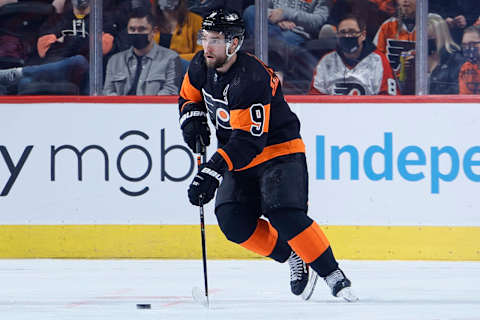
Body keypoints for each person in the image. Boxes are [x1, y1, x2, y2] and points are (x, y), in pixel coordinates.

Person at [178, 9, 358, 301]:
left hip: (277, 151)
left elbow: (248, 140)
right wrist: (192, 119)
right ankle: (292, 256)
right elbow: (189, 96)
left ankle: (332, 275)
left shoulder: (250, 79)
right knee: (232, 220)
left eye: (216, 40)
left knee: (284, 214)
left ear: (234, 43)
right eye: (205, 38)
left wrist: (212, 171)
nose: (207, 46)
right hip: (239, 157)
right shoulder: (201, 64)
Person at [310, 15, 398, 95]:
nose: (347, 36)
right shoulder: (326, 61)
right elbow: (315, 96)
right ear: (337, 35)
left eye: (352, 32)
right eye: (343, 32)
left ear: (363, 35)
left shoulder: (378, 60)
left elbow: (389, 96)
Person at [103, 8, 182, 95]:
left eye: (142, 29)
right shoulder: (114, 61)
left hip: (154, 108)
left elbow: (170, 93)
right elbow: (108, 93)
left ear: (154, 31)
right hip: (120, 108)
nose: (136, 33)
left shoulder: (170, 58)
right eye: (132, 29)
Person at [243, 0, 329, 47]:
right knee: (250, 11)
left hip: (296, 32)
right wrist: (277, 20)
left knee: (278, 43)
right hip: (272, 26)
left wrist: (286, 14)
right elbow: (263, 8)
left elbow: (319, 21)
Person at [374, 0, 416, 94]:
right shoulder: (387, 26)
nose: (405, 1)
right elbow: (376, 57)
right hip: (392, 83)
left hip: (423, 82)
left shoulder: (431, 24)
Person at [153, 0, 203, 72]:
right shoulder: (150, 21)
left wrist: (173, 59)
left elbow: (201, 54)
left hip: (185, 70)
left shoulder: (198, 21)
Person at [428, 13, 465, 94]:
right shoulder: (419, 58)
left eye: (430, 38)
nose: (426, 42)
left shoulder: (456, 59)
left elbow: (456, 91)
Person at [458, 25, 480, 94]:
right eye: (464, 45)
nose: (468, 48)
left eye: (473, 44)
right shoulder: (466, 67)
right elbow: (464, 98)